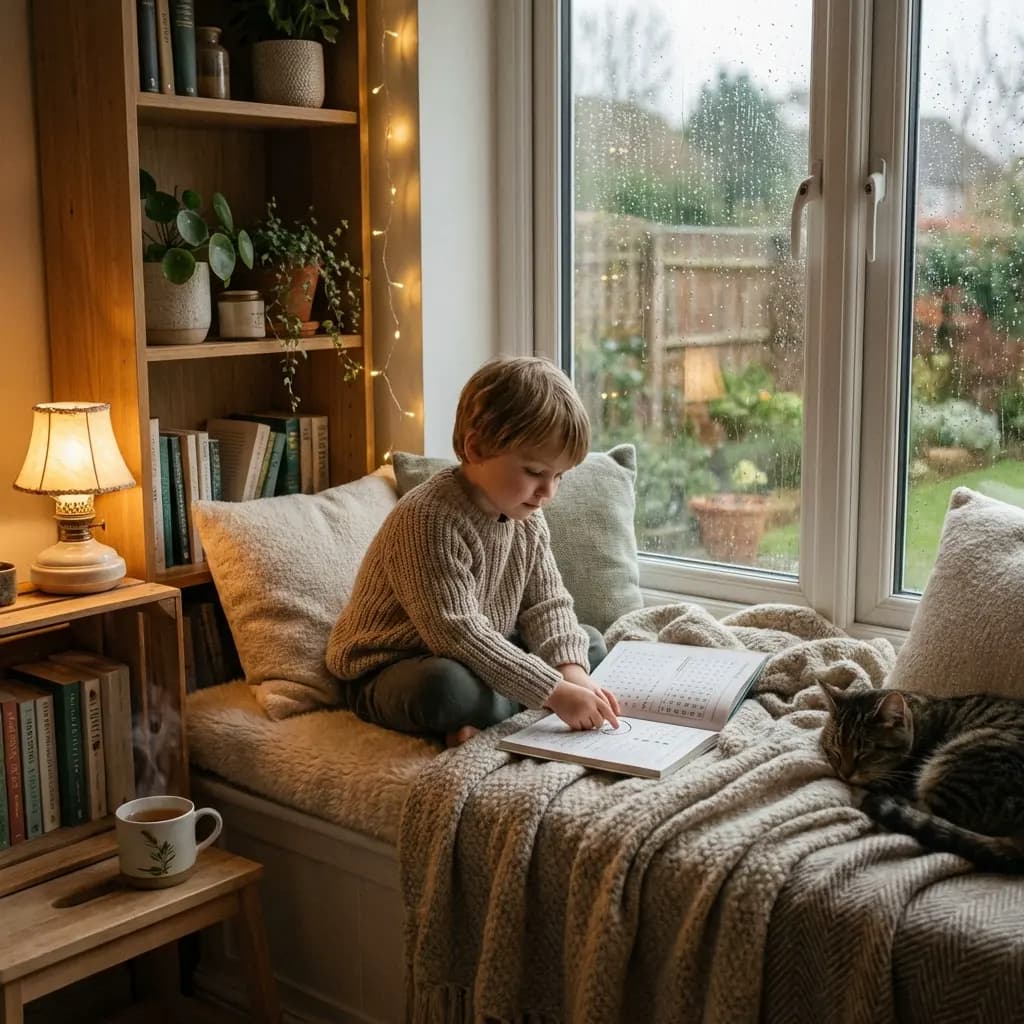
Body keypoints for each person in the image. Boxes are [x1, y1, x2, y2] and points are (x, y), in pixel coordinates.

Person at [325, 356, 621, 746]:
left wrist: (573, 677)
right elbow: (458, 634)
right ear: (476, 447)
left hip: (481, 648)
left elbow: (547, 604)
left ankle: (495, 713)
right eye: (534, 472)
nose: (547, 493)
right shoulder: (427, 518)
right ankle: (509, 708)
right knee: (446, 688)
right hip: (396, 667)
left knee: (588, 642)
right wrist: (554, 691)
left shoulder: (526, 515)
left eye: (559, 477)